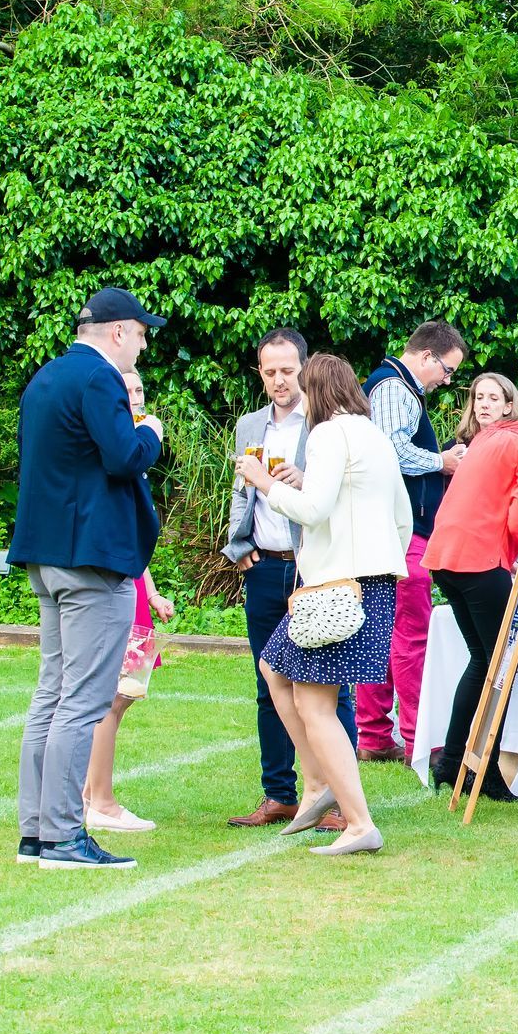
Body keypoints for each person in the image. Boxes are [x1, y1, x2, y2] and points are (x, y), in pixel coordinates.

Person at [8, 287, 166, 870]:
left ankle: (36, 832)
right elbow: (124, 457)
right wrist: (151, 430)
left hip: (47, 554)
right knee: (84, 700)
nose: (144, 345)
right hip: (91, 559)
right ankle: (62, 837)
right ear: (119, 331)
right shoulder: (99, 379)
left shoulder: (45, 378)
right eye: (142, 333)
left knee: (51, 694)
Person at [237, 355, 412, 856]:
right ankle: (317, 785)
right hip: (371, 580)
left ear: (316, 391)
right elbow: (400, 517)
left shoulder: (327, 434)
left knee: (315, 703)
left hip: (339, 586)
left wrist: (263, 481)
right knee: (274, 668)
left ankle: (357, 822)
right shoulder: (373, 435)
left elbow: (312, 510)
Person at [221, 328, 359, 829]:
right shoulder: (249, 426)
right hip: (263, 566)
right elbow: (242, 492)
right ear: (260, 374)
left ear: (304, 368)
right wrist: (238, 548)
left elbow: (339, 493)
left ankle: (340, 800)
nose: (279, 380)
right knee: (268, 682)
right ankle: (278, 793)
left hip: (313, 568)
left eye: (287, 370)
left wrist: (305, 482)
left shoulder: (325, 424)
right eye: (269, 371)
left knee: (327, 685)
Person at [422, 368, 518, 798]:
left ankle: (456, 763)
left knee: (485, 662)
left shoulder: (496, 434)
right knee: (500, 668)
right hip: (478, 559)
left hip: (446, 556)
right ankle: (481, 771)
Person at [358, 321, 468, 763]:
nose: (447, 379)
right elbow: (391, 450)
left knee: (382, 633)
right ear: (426, 357)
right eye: (447, 369)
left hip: (391, 531)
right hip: (403, 533)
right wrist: (441, 461)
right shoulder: (394, 389)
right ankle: (415, 737)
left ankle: (375, 737)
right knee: (410, 635)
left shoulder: (394, 386)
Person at [81, 369, 178, 833]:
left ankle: (90, 793)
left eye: (140, 389)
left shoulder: (134, 448)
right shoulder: (114, 449)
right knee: (111, 697)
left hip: (135, 588)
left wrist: (152, 589)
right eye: (128, 390)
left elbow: (135, 529)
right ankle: (100, 799)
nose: (137, 397)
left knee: (125, 694)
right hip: (113, 586)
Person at [450, 372, 518, 448]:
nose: (484, 405)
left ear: (508, 407)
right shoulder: (454, 448)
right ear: (473, 404)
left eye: (494, 399)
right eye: (479, 398)